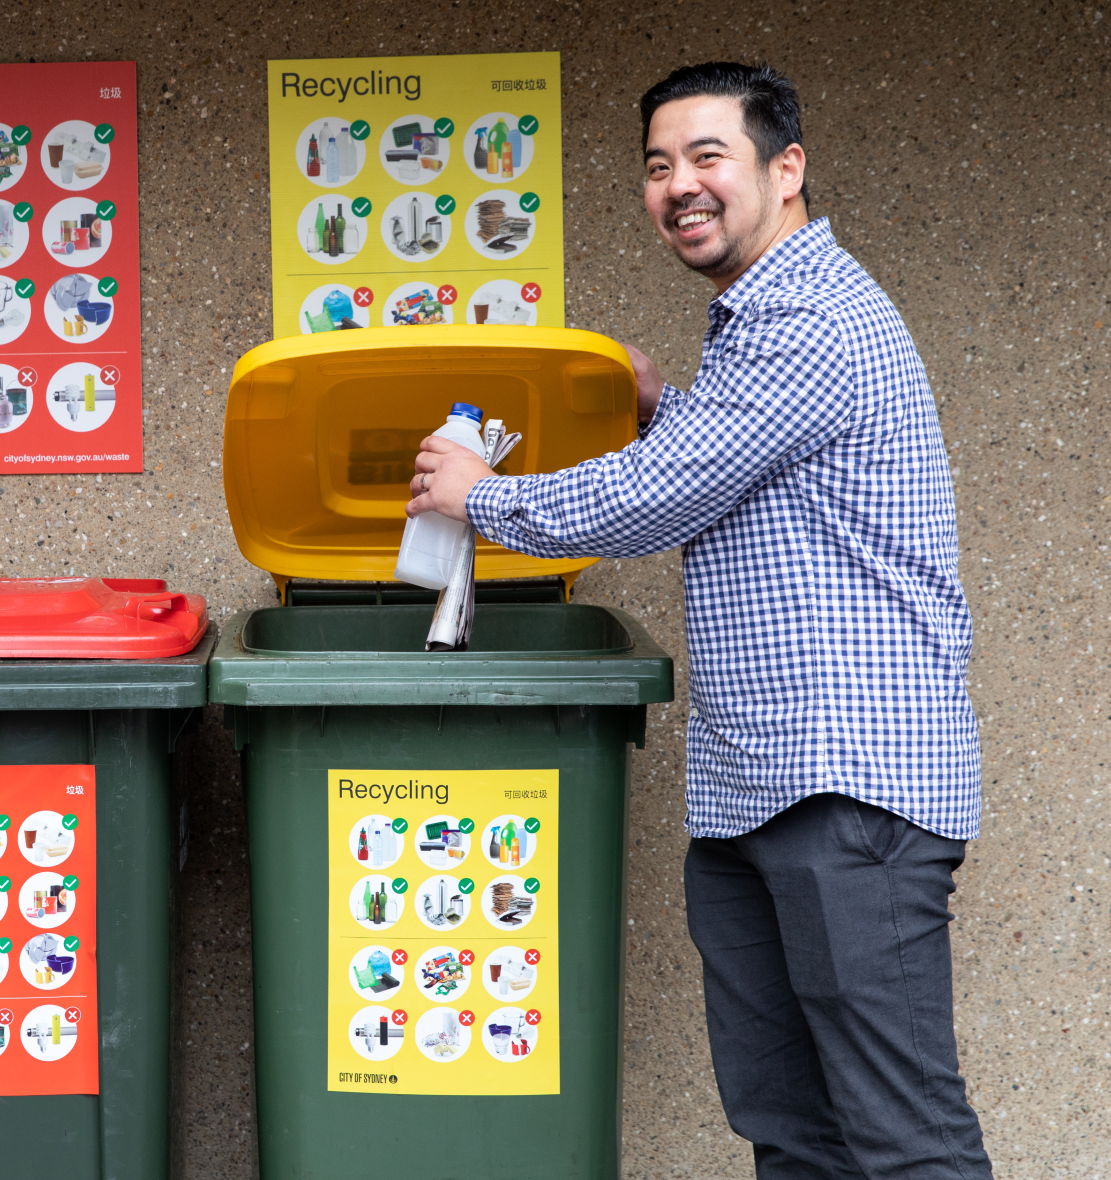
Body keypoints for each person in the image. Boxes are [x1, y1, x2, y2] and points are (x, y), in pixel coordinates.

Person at [406, 62, 991, 1179]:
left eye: (708, 156)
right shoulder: (756, 326)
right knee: (795, 1129)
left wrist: (480, 494)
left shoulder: (808, 315)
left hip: (845, 786)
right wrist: (659, 403)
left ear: (787, 167)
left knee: (904, 1137)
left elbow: (653, 496)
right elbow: (743, 464)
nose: (681, 184)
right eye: (659, 164)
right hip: (762, 788)